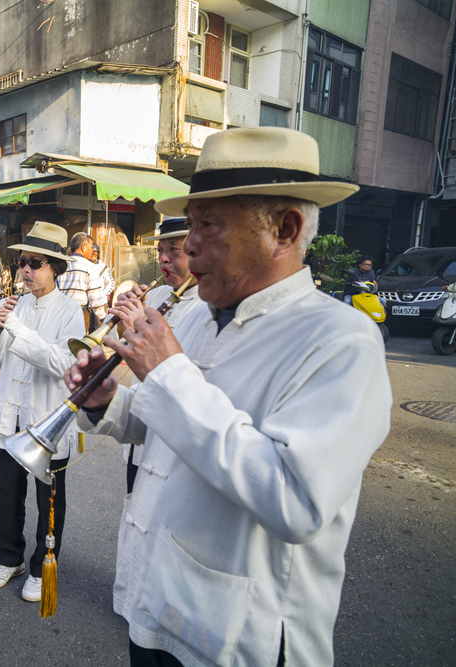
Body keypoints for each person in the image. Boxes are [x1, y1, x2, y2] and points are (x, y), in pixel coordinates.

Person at [65, 127, 391, 666]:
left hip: (241, 639)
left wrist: (168, 373)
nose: (188, 246)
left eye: (209, 225)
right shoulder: (195, 315)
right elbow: (164, 430)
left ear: (284, 230)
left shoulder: (340, 341)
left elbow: (295, 500)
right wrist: (108, 404)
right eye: (190, 226)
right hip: (157, 600)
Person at [0, 221, 85, 602]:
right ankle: (9, 557)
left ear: (55, 267)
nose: (25, 270)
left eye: (35, 263)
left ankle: (45, 562)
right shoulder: (15, 304)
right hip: (12, 417)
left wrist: (18, 330)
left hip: (48, 421)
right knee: (8, 492)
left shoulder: (71, 311)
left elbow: (61, 362)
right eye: (22, 262)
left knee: (49, 500)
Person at [115, 217, 203, 492]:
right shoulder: (157, 295)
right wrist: (124, 315)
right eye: (159, 251)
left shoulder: (207, 304)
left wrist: (136, 327)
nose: (163, 259)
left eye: (174, 251)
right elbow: (126, 338)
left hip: (172, 440)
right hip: (138, 424)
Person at [55, 232, 107, 332]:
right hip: (79, 314)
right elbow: (95, 297)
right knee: (77, 344)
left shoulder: (62, 264)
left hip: (60, 313)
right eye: (91, 247)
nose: (92, 250)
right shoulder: (89, 266)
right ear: (83, 247)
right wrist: (102, 316)